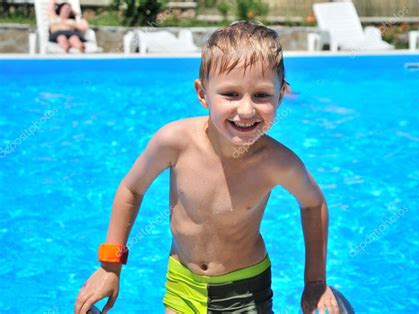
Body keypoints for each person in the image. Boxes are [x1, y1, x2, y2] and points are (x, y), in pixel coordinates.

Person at [74, 21, 340, 314]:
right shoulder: (174, 141)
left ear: (280, 96)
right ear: (202, 94)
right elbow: (131, 189)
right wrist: (110, 267)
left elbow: (313, 204)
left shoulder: (278, 162)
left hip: (246, 288)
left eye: (262, 95)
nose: (247, 110)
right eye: (231, 94)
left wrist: (315, 281)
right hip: (183, 284)